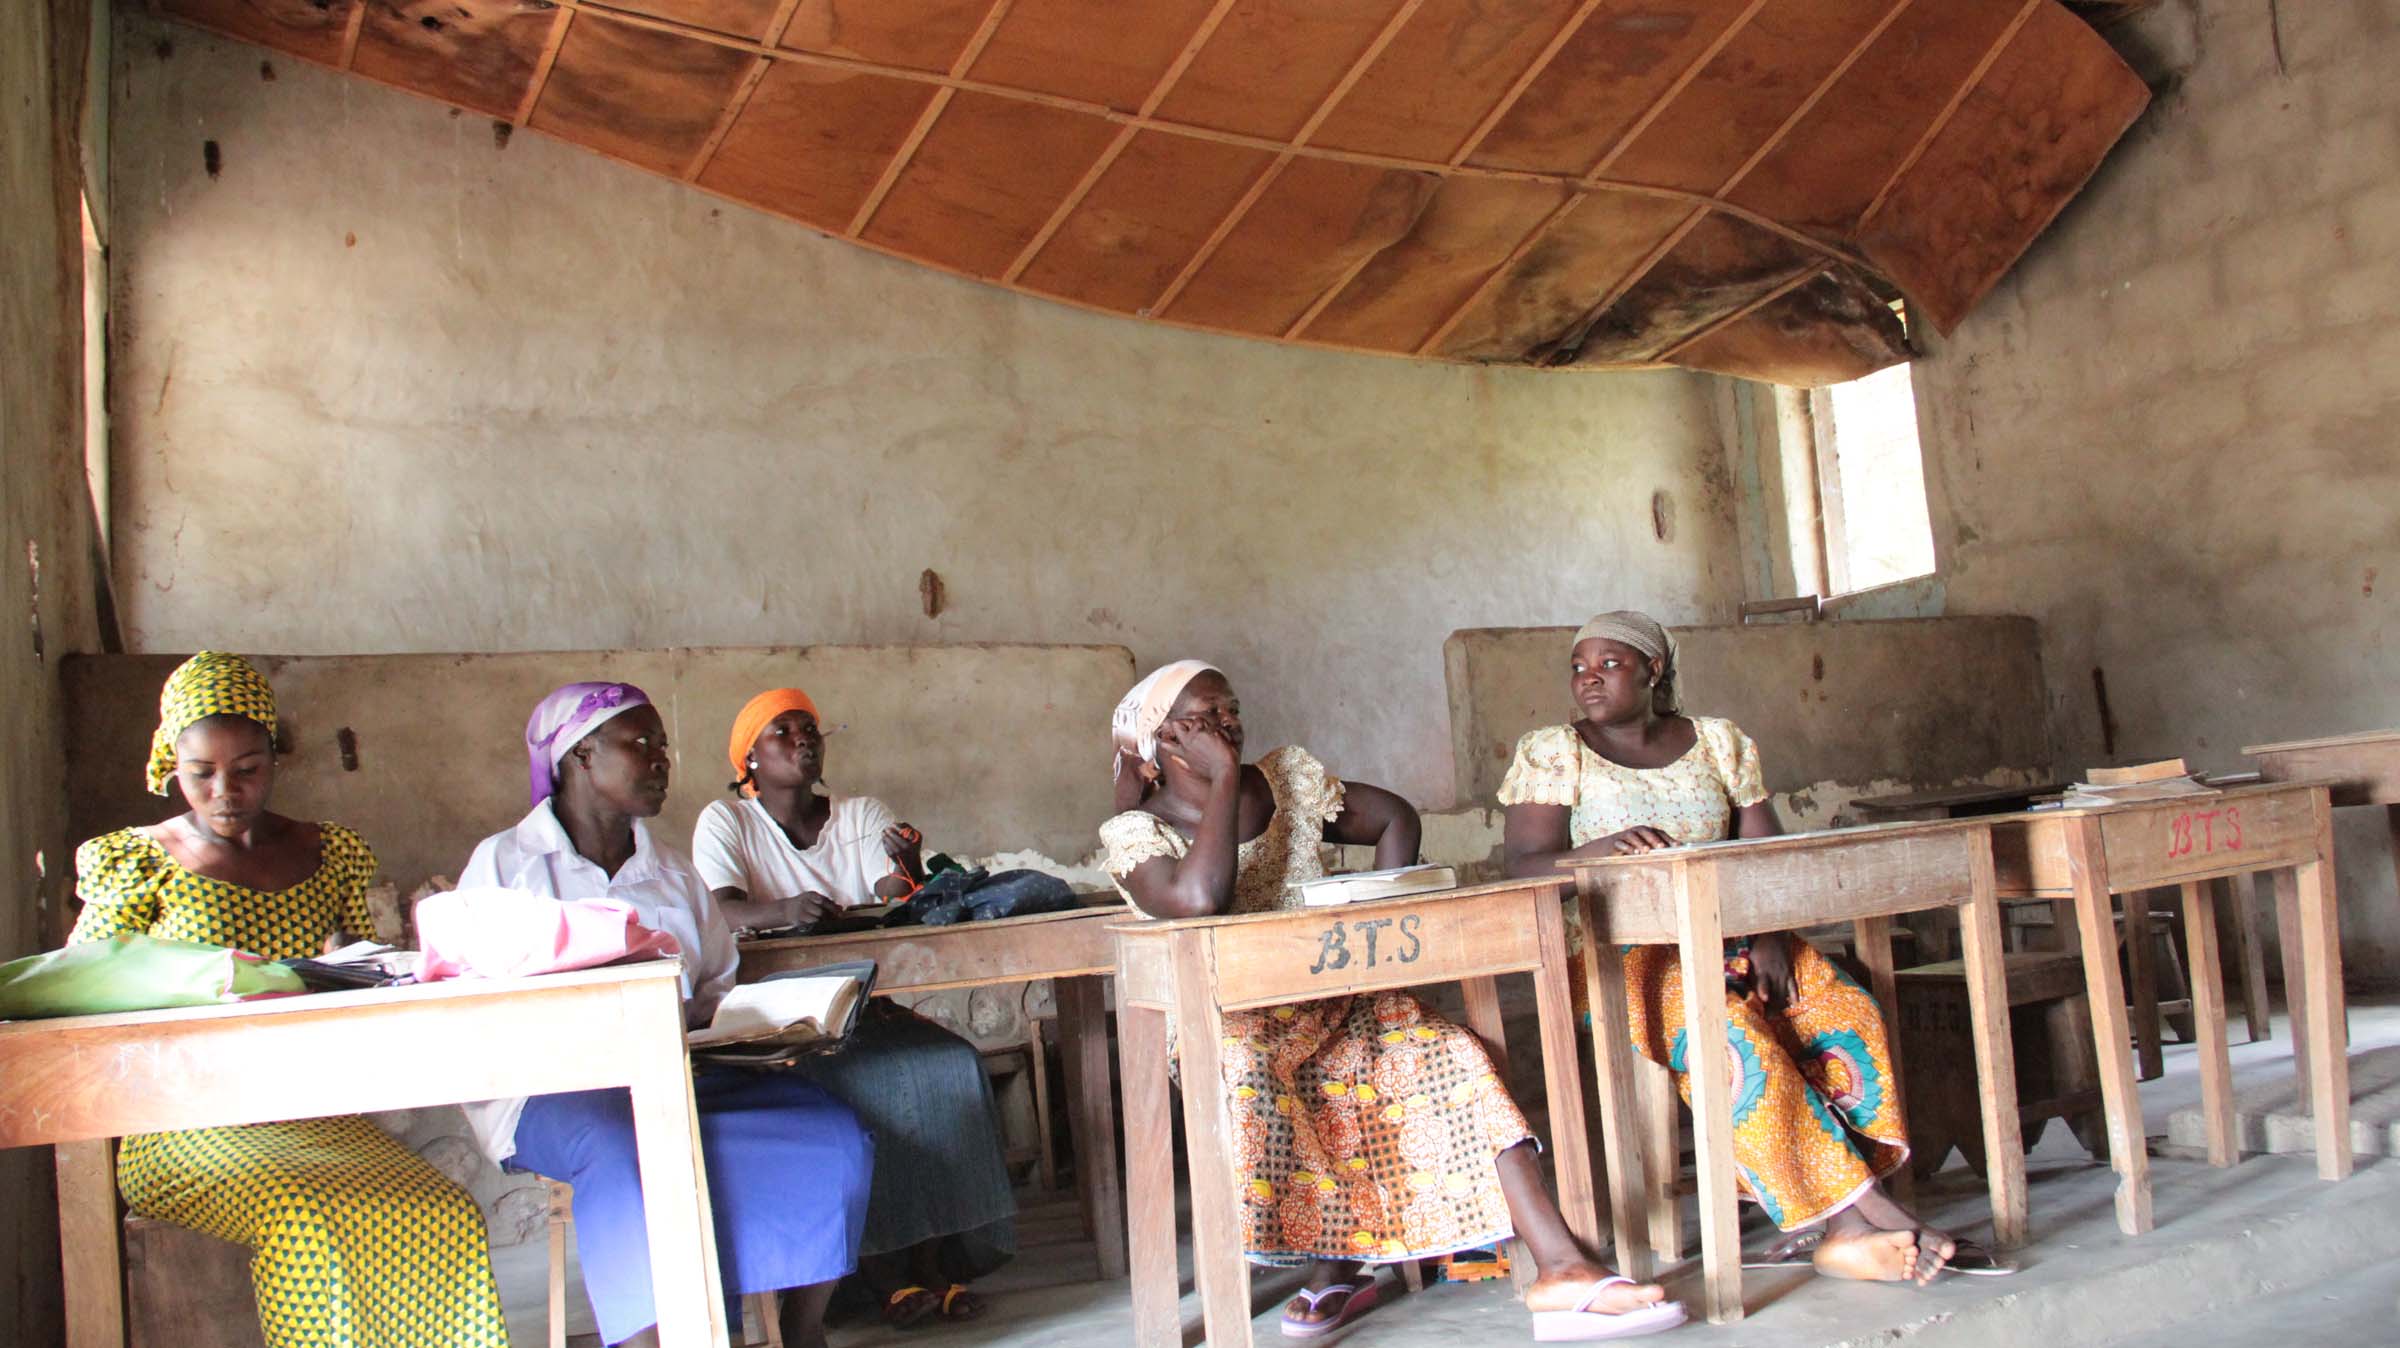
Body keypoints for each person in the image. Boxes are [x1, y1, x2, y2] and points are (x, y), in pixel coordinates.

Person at [1098, 661, 1686, 1342]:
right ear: (1162, 742)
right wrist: (1224, 777)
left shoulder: (1286, 780)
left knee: (1452, 1055)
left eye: (1230, 711)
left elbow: (1395, 819)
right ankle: (1336, 1265)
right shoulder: (1135, 835)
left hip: (1338, 999)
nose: (1227, 728)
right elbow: (1199, 900)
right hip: (1230, 1022)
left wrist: (1376, 916)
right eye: (1203, 720)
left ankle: (1562, 1273)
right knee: (1265, 1084)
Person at [1499, 611, 1991, 1284]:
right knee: (1727, 1035)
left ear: (1655, 671)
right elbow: (1521, 867)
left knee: (1841, 1010)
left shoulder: (1718, 742)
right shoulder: (1553, 752)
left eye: (1610, 665)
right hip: (1623, 958)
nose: (1589, 680)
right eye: (1578, 667)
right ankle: (1859, 1218)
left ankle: (1849, 1219)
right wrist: (1594, 852)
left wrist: (1768, 937)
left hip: (1734, 929)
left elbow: (1764, 850)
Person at [67, 651, 508, 1348]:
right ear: (169, 764)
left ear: (274, 756)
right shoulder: (138, 861)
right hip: (185, 1124)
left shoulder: (329, 852)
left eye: (246, 769)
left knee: (442, 1209)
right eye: (201, 773)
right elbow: (86, 983)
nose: (224, 791)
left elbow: (376, 964)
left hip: (315, 1114)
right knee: (306, 1219)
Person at [456, 682, 873, 1348]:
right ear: (581, 756)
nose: (660, 759)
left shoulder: (674, 877)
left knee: (831, 1134)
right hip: (551, 1091)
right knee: (622, 1150)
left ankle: (800, 1332)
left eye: (663, 745)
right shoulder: (507, 866)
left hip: (674, 1074)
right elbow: (479, 1008)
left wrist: (753, 1023)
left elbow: (713, 986)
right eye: (640, 743)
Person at [692, 688, 1013, 1327]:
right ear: (749, 758)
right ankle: (883, 1274)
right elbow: (720, 910)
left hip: (871, 1011)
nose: (801, 738)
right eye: (781, 732)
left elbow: (893, 894)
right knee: (865, 1085)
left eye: (808, 728)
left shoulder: (862, 813)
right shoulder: (726, 822)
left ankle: (938, 1263)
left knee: (951, 1067)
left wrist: (909, 865)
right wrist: (785, 911)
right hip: (783, 1027)